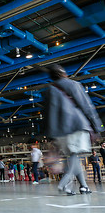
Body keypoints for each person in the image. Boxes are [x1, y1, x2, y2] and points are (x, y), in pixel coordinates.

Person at [43, 64, 104, 195]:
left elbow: (46, 114)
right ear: (63, 73)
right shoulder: (73, 84)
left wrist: (50, 134)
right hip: (76, 126)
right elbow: (86, 106)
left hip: (58, 131)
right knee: (74, 156)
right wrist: (96, 126)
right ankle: (64, 183)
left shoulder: (48, 90)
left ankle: (83, 186)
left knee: (72, 157)